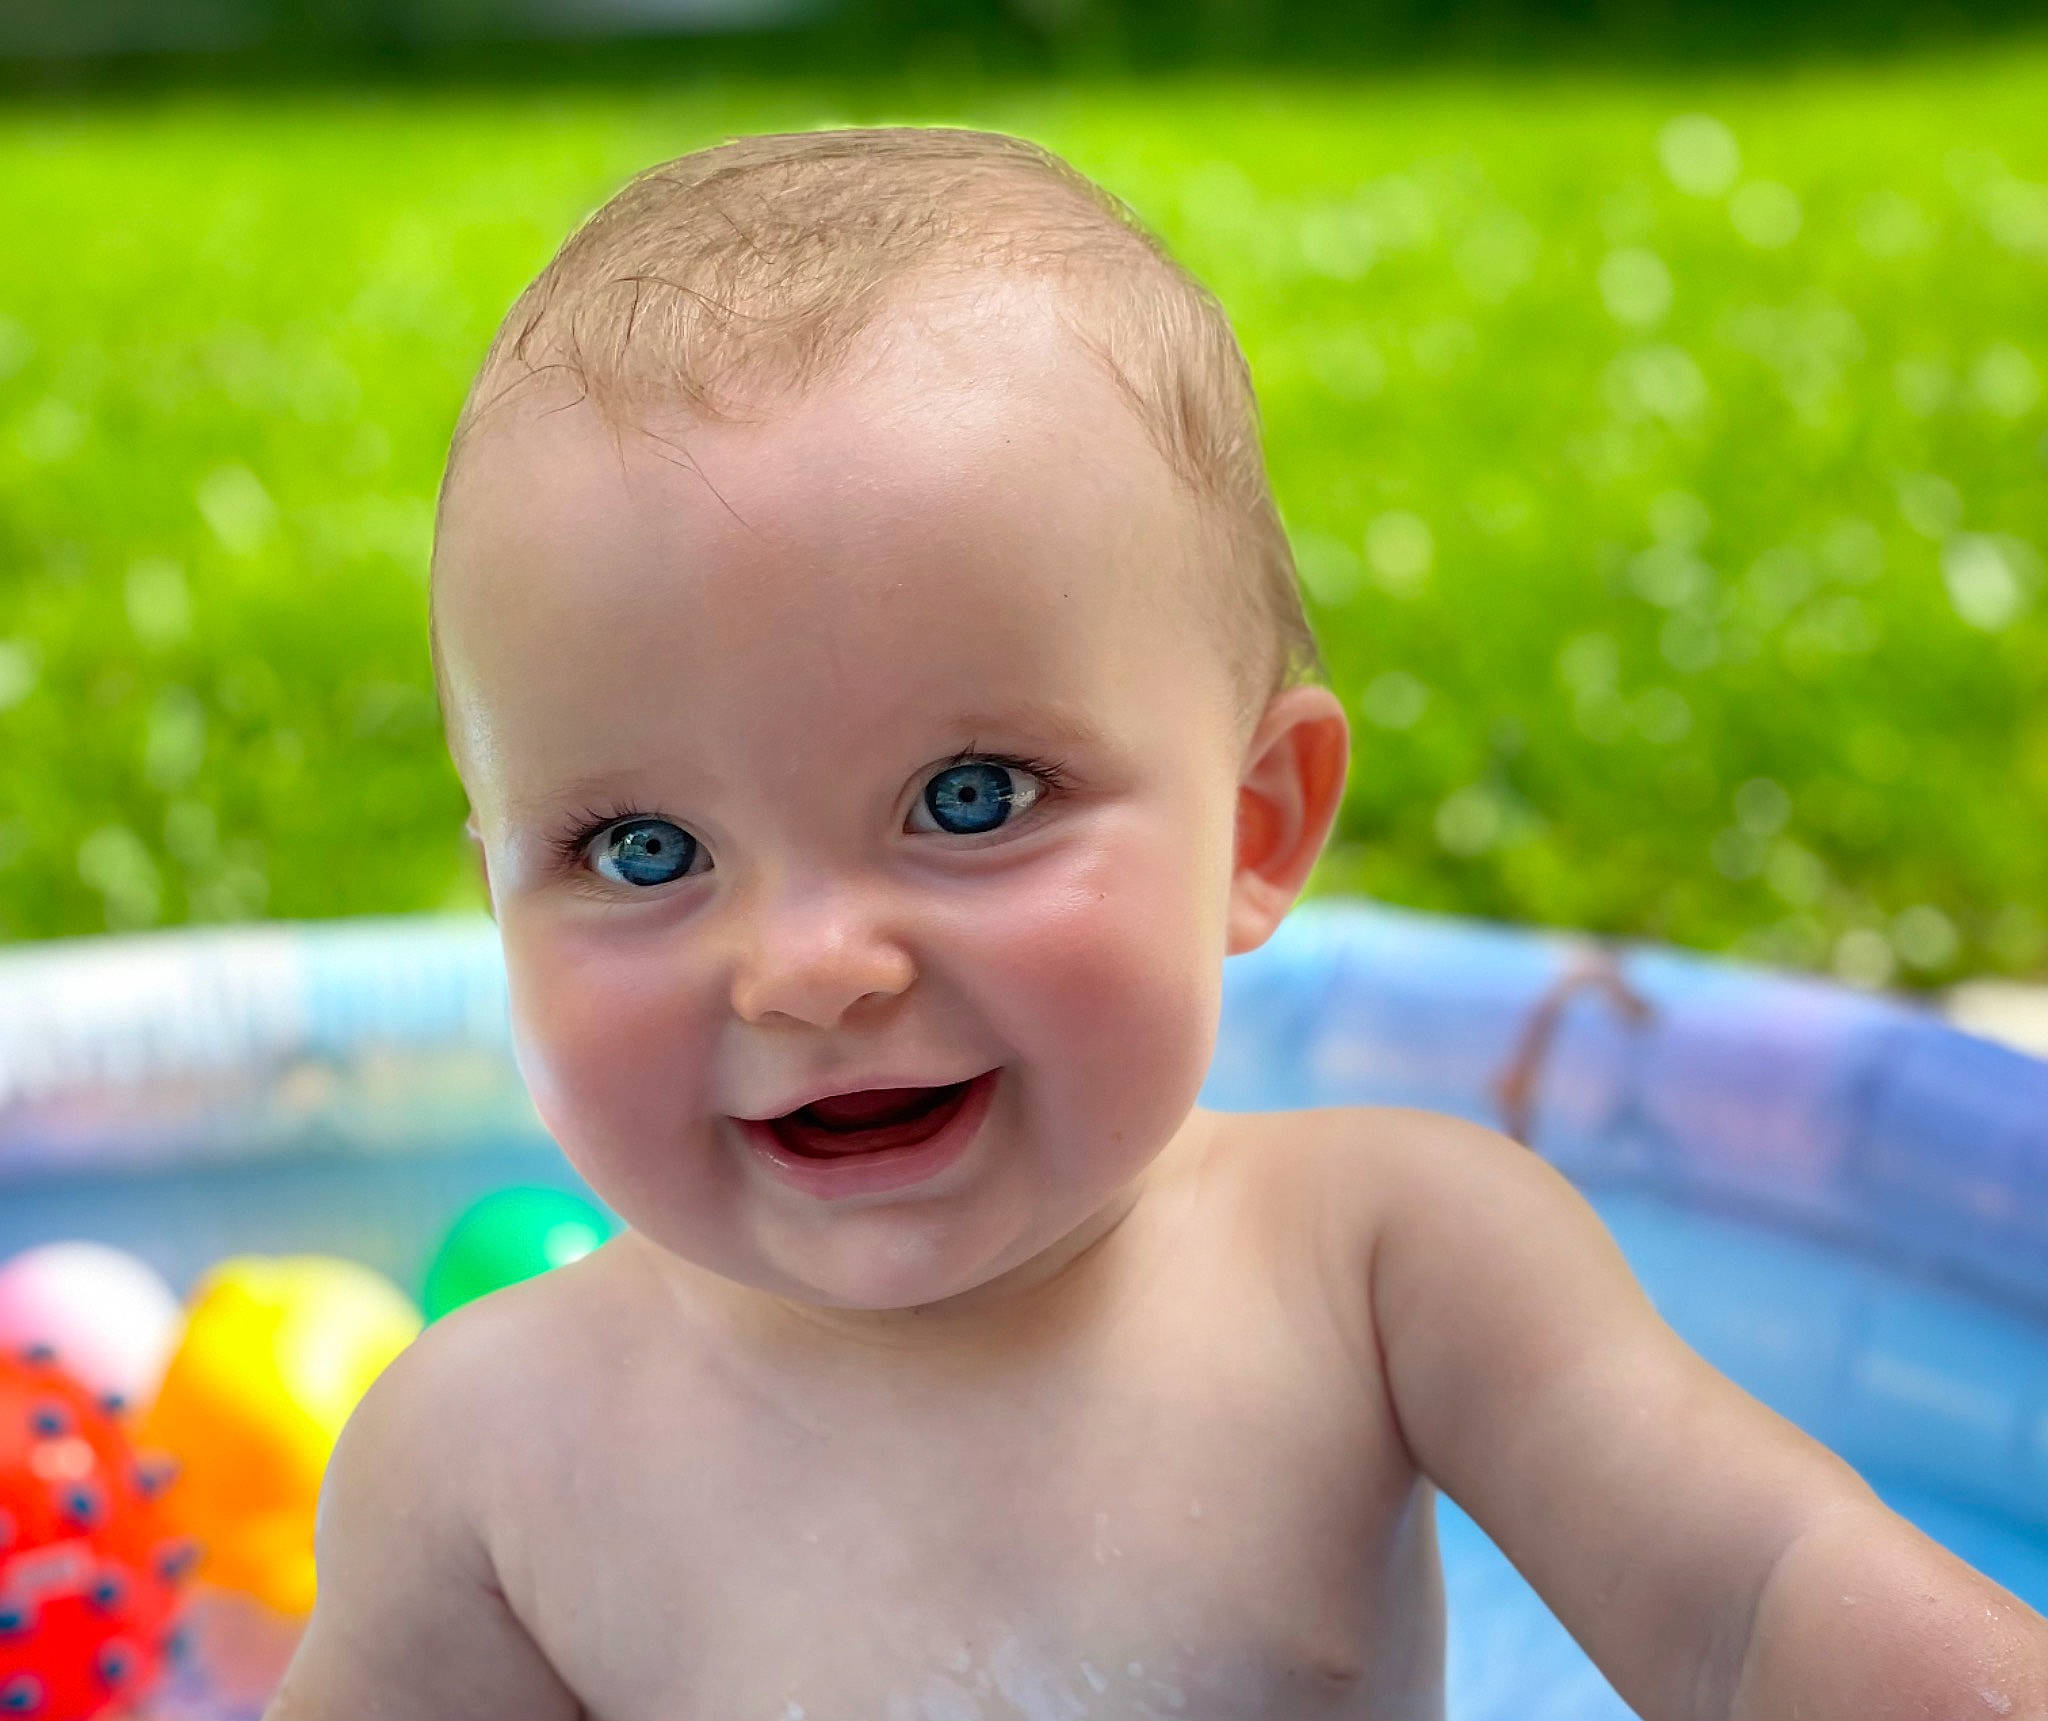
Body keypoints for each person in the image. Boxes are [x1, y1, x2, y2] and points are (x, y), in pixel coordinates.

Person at [265, 128, 2047, 1721]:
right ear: (498, 885)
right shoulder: (484, 1464)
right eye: (644, 847)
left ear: (1257, 824)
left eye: (972, 798)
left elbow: (1758, 1609)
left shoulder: (1388, 1269)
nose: (810, 964)